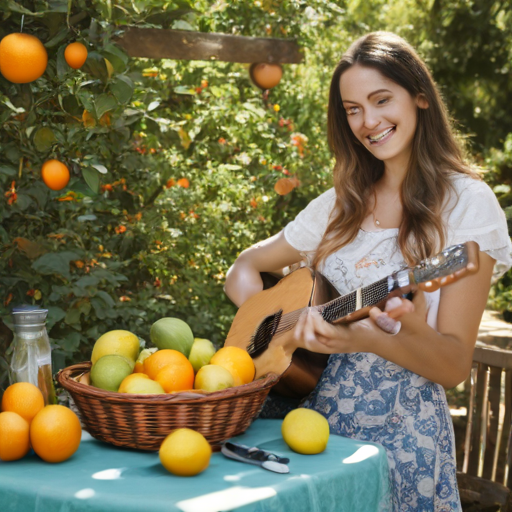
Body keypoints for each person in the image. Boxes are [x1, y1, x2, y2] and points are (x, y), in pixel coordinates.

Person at [224, 31, 512, 511]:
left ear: (420, 96)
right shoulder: (338, 203)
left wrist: (370, 338)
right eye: (352, 109)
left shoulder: (467, 205)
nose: (368, 121)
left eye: (381, 100)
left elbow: (454, 366)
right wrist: (272, 324)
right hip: (299, 429)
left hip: (400, 441)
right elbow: (245, 266)